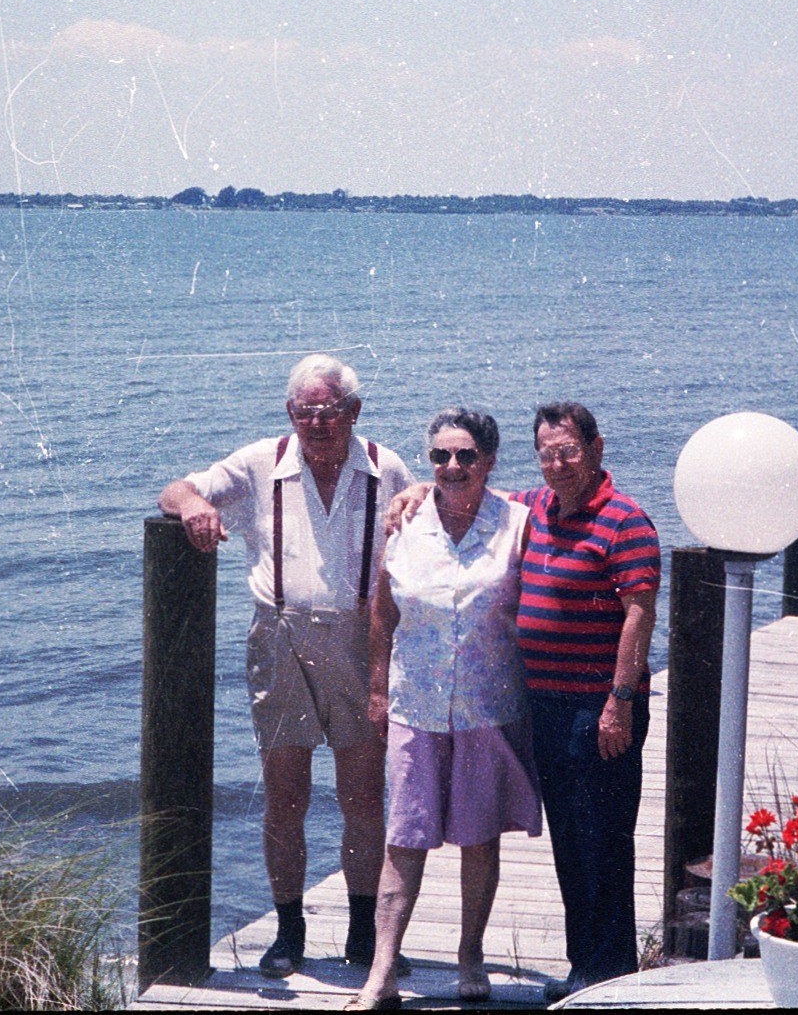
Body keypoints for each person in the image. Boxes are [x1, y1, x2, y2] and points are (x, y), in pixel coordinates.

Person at [385, 402, 660, 1000]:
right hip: (545, 704)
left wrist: (620, 700)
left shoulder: (625, 521)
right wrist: (410, 492)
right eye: (547, 453)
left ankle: (608, 969)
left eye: (569, 450)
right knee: (570, 839)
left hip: (599, 708)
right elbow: (468, 487)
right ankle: (585, 964)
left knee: (604, 839)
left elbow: (639, 614)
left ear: (596, 448)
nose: (558, 463)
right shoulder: (538, 507)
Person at [158, 354, 415, 978]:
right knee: (285, 795)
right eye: (306, 412)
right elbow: (174, 489)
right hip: (279, 641)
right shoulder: (257, 462)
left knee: (362, 796)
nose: (319, 424)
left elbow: (417, 533)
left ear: (354, 411)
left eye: (330, 412)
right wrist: (194, 505)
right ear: (289, 413)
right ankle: (288, 932)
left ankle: (363, 933)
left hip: (361, 639)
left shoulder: (388, 466)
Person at [355, 408, 542, 1010]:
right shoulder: (405, 523)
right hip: (418, 706)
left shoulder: (518, 522)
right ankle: (381, 972)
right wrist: (378, 689)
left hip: (489, 705)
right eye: (439, 457)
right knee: (403, 839)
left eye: (465, 456)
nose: (451, 467)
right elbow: (382, 612)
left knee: (479, 837)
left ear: (488, 461)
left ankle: (470, 953)